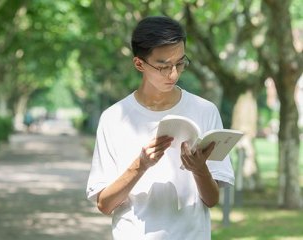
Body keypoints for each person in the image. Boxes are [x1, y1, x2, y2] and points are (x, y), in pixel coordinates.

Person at [86, 16, 234, 240]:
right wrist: (141, 165)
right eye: (163, 66)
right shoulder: (113, 118)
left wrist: (199, 168)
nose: (173, 74)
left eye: (180, 63)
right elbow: (105, 205)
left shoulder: (205, 111)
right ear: (139, 64)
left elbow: (212, 201)